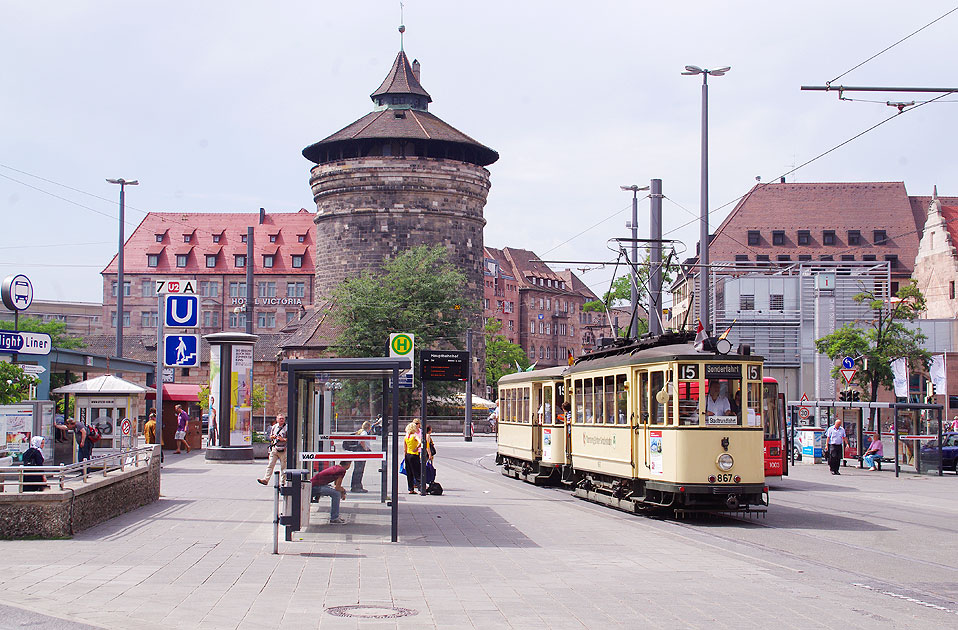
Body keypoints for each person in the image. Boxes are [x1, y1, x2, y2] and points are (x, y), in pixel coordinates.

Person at [257, 414, 287, 485]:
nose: (281, 420)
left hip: (283, 449)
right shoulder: (274, 427)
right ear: (277, 419)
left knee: (283, 466)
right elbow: (269, 436)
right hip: (275, 448)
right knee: (270, 464)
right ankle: (266, 479)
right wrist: (273, 437)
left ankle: (282, 482)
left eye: (282, 418)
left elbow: (290, 438)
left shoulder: (286, 428)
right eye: (280, 418)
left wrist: (282, 439)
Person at [350, 420, 371, 493]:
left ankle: (355, 485)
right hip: (361, 451)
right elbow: (362, 441)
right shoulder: (364, 433)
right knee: (359, 470)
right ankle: (357, 486)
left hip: (358, 451)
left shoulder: (360, 431)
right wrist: (365, 449)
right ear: (368, 427)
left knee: (357, 469)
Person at [404, 419, 422, 494]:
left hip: (407, 455)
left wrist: (405, 455)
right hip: (414, 455)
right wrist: (416, 448)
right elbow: (420, 441)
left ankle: (410, 489)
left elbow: (405, 448)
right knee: (417, 472)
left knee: (409, 473)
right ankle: (421, 488)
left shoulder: (406, 437)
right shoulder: (414, 436)